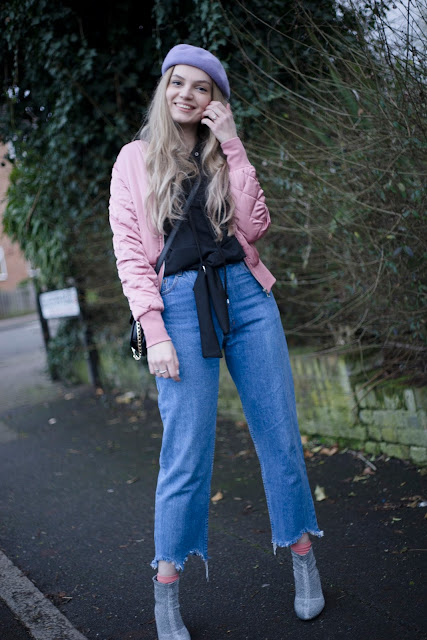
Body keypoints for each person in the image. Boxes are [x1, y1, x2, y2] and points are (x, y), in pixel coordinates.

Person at [109, 44, 325, 640]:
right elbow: (130, 252)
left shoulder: (220, 151)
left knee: (280, 435)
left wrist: (232, 143)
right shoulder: (133, 159)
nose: (187, 94)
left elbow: (256, 227)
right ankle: (167, 589)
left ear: (215, 100)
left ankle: (303, 557)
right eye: (178, 82)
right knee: (185, 451)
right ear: (164, 88)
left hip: (247, 298)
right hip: (179, 307)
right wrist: (154, 331)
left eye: (201, 87)